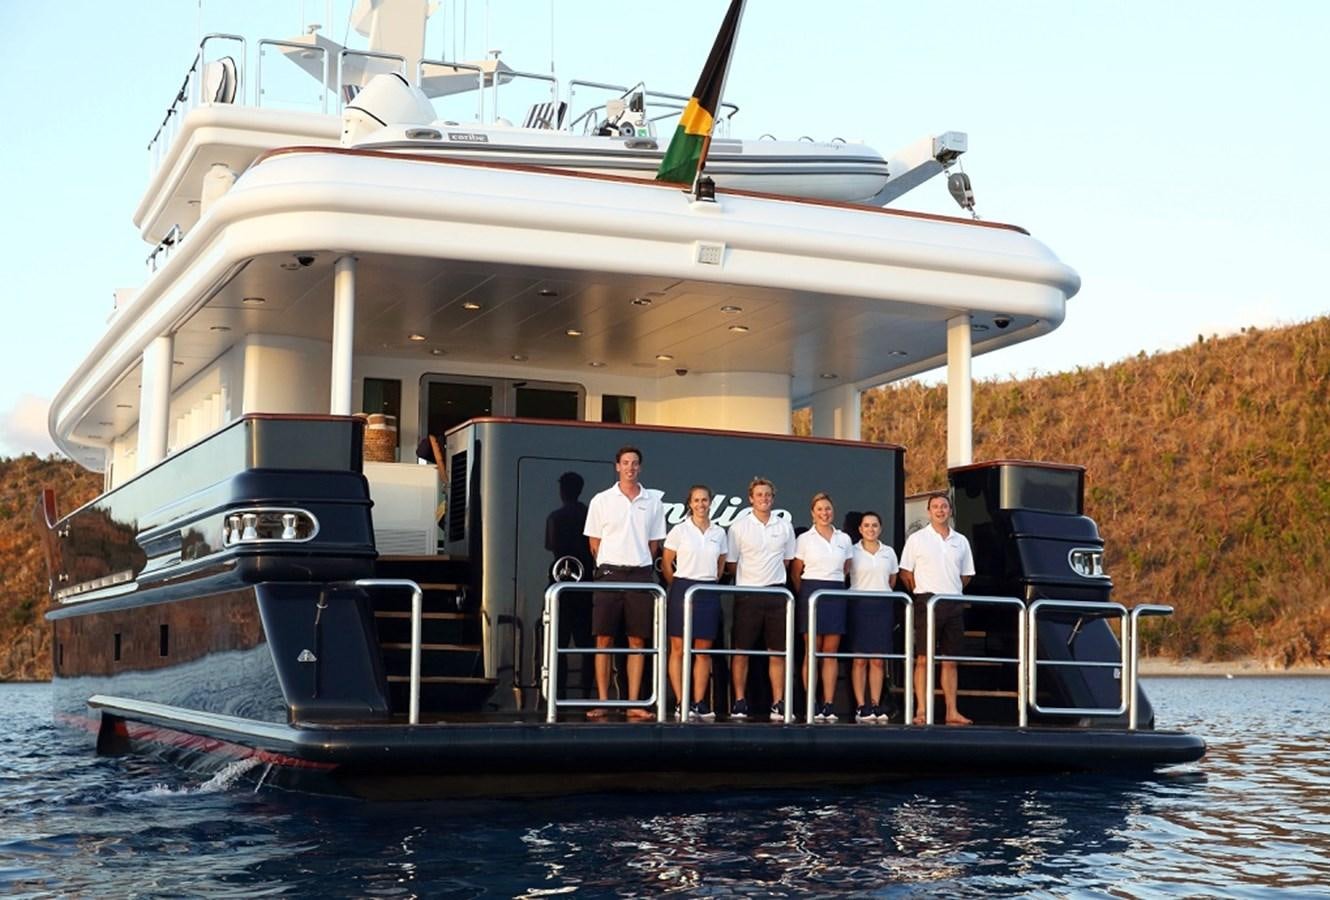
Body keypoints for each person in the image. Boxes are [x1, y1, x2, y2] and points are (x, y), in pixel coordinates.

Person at [583, 446, 666, 721]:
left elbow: (654, 544)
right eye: (625, 463)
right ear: (617, 466)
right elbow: (594, 543)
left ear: (640, 467)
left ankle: (633, 703)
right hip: (609, 574)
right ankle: (604, 702)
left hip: (640, 575)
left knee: (637, 641)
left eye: (635, 463)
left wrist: (638, 561)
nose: (630, 467)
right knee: (603, 639)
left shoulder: (653, 502)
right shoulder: (601, 500)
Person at [898, 492, 975, 725]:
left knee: (951, 660)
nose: (940, 510)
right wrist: (923, 592)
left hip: (953, 601)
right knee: (923, 658)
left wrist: (950, 589)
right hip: (926, 601)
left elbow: (966, 575)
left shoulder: (961, 541)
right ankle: (921, 710)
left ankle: (952, 711)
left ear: (950, 511)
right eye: (936, 507)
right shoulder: (917, 539)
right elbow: (905, 572)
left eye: (944, 506)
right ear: (928, 511)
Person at [725, 477, 796, 722]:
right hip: (747, 594)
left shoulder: (784, 527)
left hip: (777, 594)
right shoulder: (738, 527)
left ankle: (778, 703)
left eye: (768, 495)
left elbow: (788, 562)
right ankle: (739, 701)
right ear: (751, 498)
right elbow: (732, 565)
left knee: (777, 652)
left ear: (773, 499)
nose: (764, 498)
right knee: (741, 651)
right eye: (759, 495)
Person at [662, 485, 728, 722]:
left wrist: (708, 581)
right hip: (682, 589)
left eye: (705, 500)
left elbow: (721, 564)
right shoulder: (679, 531)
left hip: (707, 590)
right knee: (678, 649)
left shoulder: (719, 533)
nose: (701, 504)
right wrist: (679, 584)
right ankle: (682, 701)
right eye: (696, 500)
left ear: (710, 502)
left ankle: (699, 702)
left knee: (703, 651)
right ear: (689, 503)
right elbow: (667, 563)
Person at [791, 492, 853, 723]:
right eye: (819, 510)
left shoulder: (844, 539)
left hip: (835, 593)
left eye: (827, 509)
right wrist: (807, 593)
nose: (824, 513)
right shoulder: (804, 539)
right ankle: (811, 702)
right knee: (812, 650)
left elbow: (846, 567)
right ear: (812, 513)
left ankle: (828, 703)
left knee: (830, 652)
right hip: (811, 592)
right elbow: (796, 572)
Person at [545, 471, 595, 697]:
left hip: (561, 584)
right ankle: (587, 693)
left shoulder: (555, 517)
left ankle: (559, 693)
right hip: (586, 585)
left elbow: (550, 544)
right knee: (587, 645)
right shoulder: (589, 514)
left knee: (559, 643)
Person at [847, 511, 899, 724]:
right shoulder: (851, 552)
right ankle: (861, 706)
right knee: (859, 660)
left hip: (882, 607)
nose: (871, 529)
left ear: (880, 528)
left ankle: (875, 704)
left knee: (877, 661)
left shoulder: (889, 552)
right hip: (859, 606)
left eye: (874, 525)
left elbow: (892, 580)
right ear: (860, 529)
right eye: (866, 525)